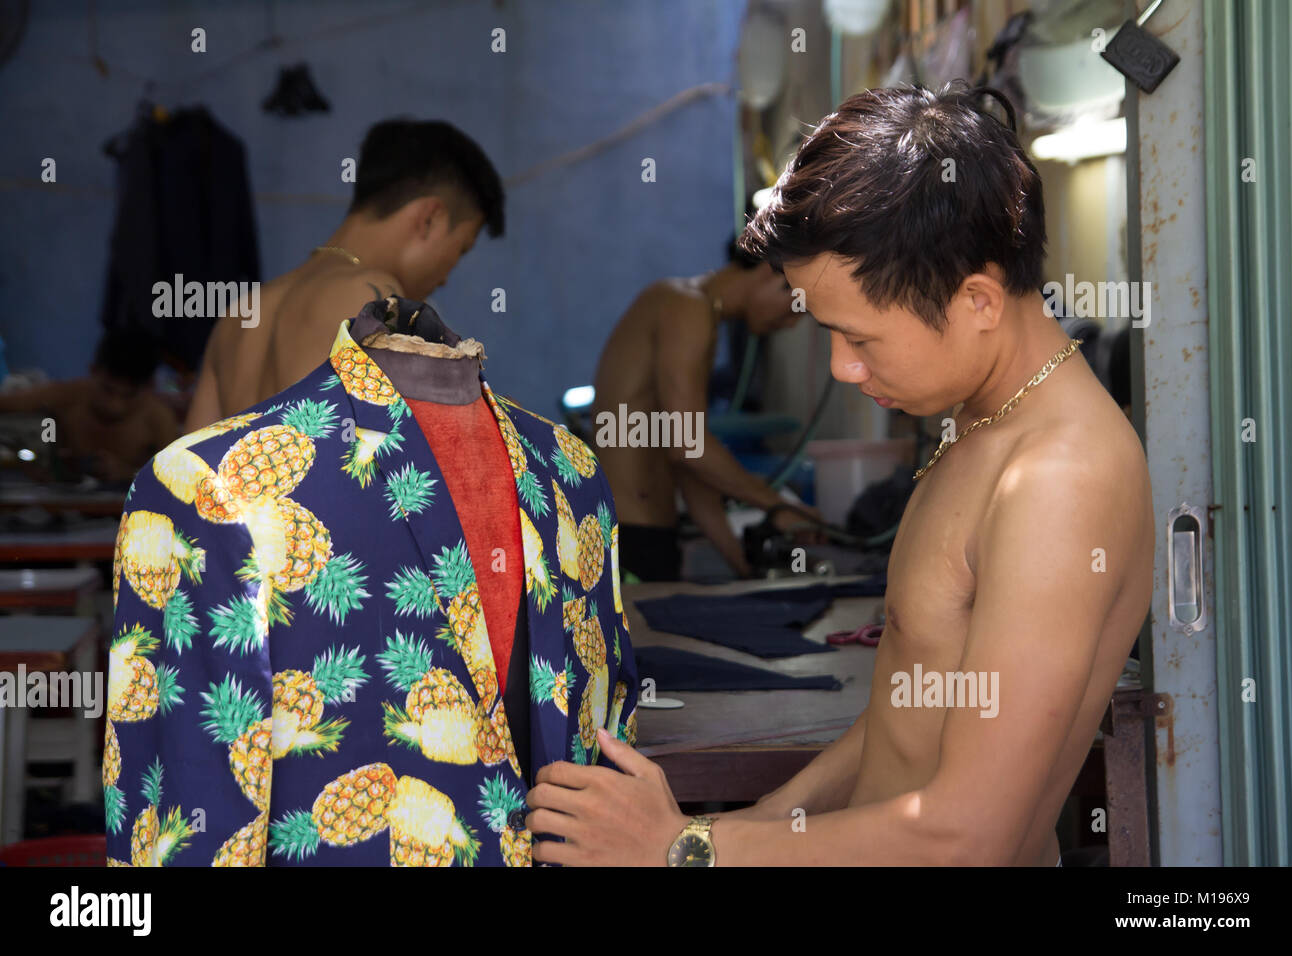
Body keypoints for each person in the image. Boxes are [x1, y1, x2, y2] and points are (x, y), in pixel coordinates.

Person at [524, 82, 1155, 866]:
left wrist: (686, 849)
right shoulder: (982, 420)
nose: (841, 368)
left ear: (979, 300)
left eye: (860, 338)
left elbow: (970, 834)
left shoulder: (1059, 480)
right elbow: (904, 711)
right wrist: (759, 820)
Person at [184, 118, 505, 429]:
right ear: (430, 218)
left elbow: (185, 470)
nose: (446, 278)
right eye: (460, 249)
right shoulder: (376, 296)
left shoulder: (238, 314)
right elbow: (423, 451)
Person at [591, 241, 821, 580]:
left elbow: (686, 461)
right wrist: (776, 504)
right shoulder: (687, 306)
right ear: (769, 272)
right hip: (626, 539)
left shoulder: (696, 313)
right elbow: (688, 448)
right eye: (794, 308)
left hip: (646, 537)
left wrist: (741, 566)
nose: (790, 324)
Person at [0, 329, 178, 483]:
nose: (115, 405)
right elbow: (7, 404)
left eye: (129, 396)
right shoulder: (67, 395)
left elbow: (176, 480)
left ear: (149, 387)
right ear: (93, 372)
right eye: (108, 390)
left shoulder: (159, 419)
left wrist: (129, 473)